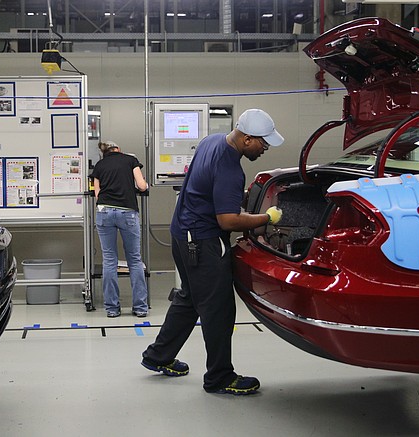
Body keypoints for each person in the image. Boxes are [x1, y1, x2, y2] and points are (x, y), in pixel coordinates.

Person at [141, 108, 284, 395]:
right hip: (203, 242)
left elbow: (204, 184)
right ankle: (219, 376)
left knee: (190, 299)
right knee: (218, 309)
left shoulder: (212, 141)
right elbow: (228, 221)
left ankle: (158, 356)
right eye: (262, 142)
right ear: (245, 139)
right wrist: (267, 218)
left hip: (182, 233)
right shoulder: (231, 169)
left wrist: (235, 197)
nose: (266, 147)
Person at [90, 140, 149, 318]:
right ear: (119, 149)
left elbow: (97, 193)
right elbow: (142, 186)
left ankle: (112, 309)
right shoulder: (130, 160)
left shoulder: (99, 166)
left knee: (109, 260)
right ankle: (140, 307)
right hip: (127, 212)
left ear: (104, 152)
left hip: (104, 212)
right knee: (134, 260)